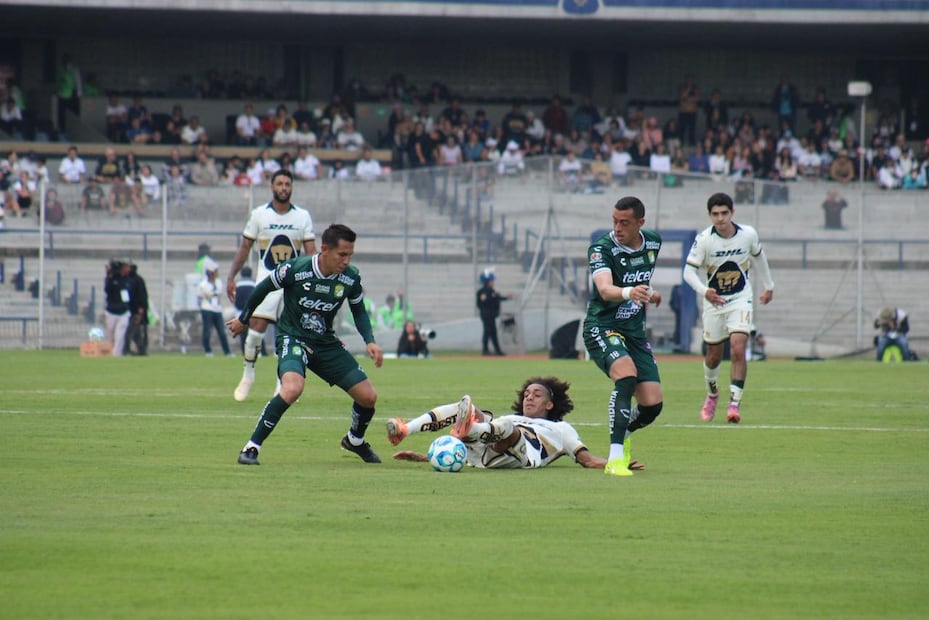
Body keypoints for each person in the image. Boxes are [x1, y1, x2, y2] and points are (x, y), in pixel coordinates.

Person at [227, 224, 384, 466]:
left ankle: (354, 440)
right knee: (292, 388)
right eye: (342, 254)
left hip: (325, 343)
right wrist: (244, 319)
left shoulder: (350, 277)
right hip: (293, 337)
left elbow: (359, 310)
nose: (346, 260)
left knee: (368, 397)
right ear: (325, 250)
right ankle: (251, 448)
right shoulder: (296, 269)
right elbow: (263, 288)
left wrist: (370, 341)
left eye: (350, 255)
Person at [387, 377, 643, 471]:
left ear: (550, 405)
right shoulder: (511, 416)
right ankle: (406, 429)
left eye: (537, 394)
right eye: (527, 394)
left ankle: (470, 429)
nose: (529, 397)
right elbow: (461, 457)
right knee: (470, 410)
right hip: (486, 450)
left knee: (508, 429)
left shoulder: (561, 429)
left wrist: (614, 462)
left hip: (522, 454)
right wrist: (427, 458)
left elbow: (586, 460)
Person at [583, 196, 665, 477]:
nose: (617, 228)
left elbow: (640, 276)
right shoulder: (601, 249)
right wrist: (631, 292)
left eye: (625, 223)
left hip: (634, 332)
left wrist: (649, 292)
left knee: (652, 405)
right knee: (626, 375)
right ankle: (615, 458)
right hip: (601, 326)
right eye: (614, 221)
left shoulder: (653, 242)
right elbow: (605, 290)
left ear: (640, 223)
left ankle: (624, 430)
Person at [683, 192, 775, 425]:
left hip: (740, 299)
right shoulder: (704, 240)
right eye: (715, 214)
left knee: (737, 348)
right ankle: (712, 394)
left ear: (732, 212)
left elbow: (759, 258)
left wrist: (769, 286)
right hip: (714, 302)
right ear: (710, 215)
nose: (720, 218)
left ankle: (734, 403)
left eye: (724, 213)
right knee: (713, 356)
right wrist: (705, 291)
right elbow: (688, 272)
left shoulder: (748, 234)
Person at [226, 169, 316, 402]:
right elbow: (245, 248)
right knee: (255, 330)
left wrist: (315, 282)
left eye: (287, 184)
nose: (284, 188)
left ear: (292, 187)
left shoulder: (302, 216)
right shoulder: (259, 215)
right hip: (267, 281)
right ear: (272, 186)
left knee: (288, 335)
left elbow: (311, 253)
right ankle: (248, 375)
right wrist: (231, 276)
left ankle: (282, 383)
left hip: (293, 285)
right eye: (280, 184)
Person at [198, 259, 231, 357]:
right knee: (207, 331)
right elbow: (204, 295)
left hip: (217, 309)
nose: (216, 273)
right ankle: (208, 351)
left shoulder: (218, 282)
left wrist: (211, 294)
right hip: (207, 309)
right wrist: (211, 294)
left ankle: (227, 352)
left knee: (222, 331)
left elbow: (217, 293)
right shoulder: (203, 284)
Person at [476, 269, 511, 356]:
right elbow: (484, 302)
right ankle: (485, 350)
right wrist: (493, 297)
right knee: (487, 331)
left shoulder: (492, 291)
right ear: (487, 282)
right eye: (491, 281)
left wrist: (507, 297)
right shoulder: (482, 292)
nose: (493, 282)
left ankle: (497, 350)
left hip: (491, 315)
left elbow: (498, 298)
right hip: (486, 315)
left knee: (493, 332)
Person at [104, 259, 132, 357]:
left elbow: (127, 295)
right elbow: (107, 290)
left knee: (120, 334)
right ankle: (109, 352)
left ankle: (117, 354)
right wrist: (109, 276)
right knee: (110, 334)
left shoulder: (127, 279)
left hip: (123, 312)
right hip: (111, 311)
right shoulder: (112, 278)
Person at [124, 261, 149, 355]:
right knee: (135, 333)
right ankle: (141, 350)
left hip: (135, 311)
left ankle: (127, 350)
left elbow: (142, 296)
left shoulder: (137, 280)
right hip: (128, 310)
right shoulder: (126, 279)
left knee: (131, 331)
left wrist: (140, 311)